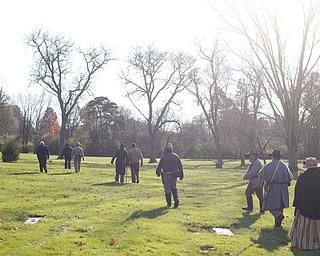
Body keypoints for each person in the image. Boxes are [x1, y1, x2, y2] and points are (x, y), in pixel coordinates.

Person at [290, 157, 320, 250]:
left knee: (305, 225)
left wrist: (297, 205)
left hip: (305, 205)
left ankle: (306, 244)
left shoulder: (303, 177)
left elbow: (298, 192)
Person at [258, 149, 293, 228]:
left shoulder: (268, 165)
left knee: (269, 205)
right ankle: (277, 225)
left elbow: (260, 175)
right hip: (283, 188)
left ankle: (278, 215)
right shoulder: (284, 165)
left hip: (273, 187)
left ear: (273, 156)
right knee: (280, 205)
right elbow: (289, 178)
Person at [156, 143, 184, 208]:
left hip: (166, 174)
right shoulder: (176, 156)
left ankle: (169, 203)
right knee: (174, 187)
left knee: (167, 189)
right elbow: (180, 166)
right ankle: (176, 200)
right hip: (174, 174)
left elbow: (160, 165)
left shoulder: (164, 156)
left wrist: (158, 172)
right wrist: (181, 175)